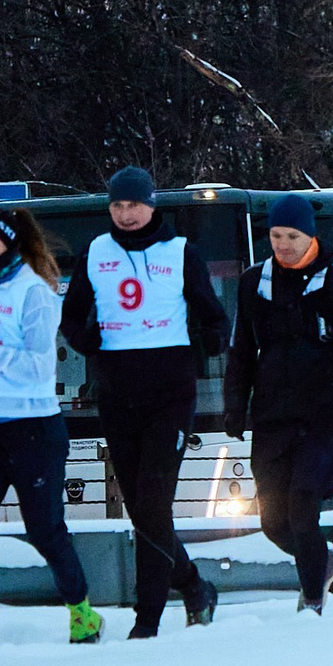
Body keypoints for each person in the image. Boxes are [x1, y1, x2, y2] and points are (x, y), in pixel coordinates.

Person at [58, 165, 226, 638]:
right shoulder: (95, 252)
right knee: (141, 507)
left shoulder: (180, 252)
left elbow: (213, 314)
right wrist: (87, 340)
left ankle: (147, 619)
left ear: (151, 205)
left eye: (133, 204)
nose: (125, 214)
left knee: (154, 499)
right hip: (117, 392)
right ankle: (194, 586)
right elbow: (71, 318)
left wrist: (211, 337)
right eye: (117, 205)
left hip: (170, 391)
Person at [222, 195, 333, 613]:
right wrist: (235, 406)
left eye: (292, 236)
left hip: (321, 418)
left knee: (302, 510)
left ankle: (312, 600)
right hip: (272, 416)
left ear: (310, 235)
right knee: (272, 522)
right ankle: (325, 560)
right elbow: (241, 350)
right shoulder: (253, 283)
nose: (283, 244)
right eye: (276, 236)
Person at [0, 206, 100, 647]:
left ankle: (82, 614)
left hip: (31, 427)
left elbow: (37, 367)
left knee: (44, 529)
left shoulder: (34, 292)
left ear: (9, 244)